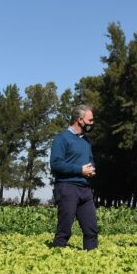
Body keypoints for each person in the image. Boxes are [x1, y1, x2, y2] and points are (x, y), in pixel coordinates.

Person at [49, 105, 98, 250]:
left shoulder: (86, 141)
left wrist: (91, 169)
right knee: (64, 230)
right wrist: (80, 170)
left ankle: (91, 261)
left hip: (85, 189)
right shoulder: (61, 138)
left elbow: (90, 159)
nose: (92, 123)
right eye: (90, 120)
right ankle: (56, 260)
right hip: (67, 188)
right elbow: (56, 164)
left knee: (91, 230)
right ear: (80, 120)